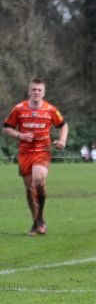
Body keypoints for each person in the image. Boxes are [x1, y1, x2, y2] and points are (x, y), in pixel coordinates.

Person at [3, 78, 68, 235]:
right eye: (34, 89)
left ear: (44, 92)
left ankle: (39, 218)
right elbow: (6, 128)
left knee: (38, 181)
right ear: (29, 91)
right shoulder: (18, 109)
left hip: (42, 151)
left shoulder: (50, 110)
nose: (36, 92)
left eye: (39, 90)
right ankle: (37, 221)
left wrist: (62, 141)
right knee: (29, 188)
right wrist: (20, 135)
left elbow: (63, 125)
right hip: (24, 153)